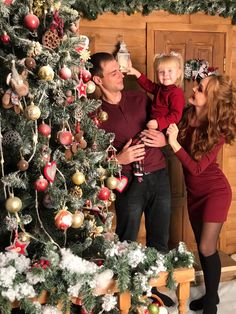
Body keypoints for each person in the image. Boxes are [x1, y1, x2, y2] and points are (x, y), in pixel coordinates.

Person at [90, 52, 174, 306]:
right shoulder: (94, 113)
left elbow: (162, 124)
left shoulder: (139, 98)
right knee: (126, 240)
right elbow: (91, 158)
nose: (121, 75)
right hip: (128, 184)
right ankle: (127, 295)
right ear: (98, 79)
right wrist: (120, 160)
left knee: (159, 239)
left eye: (120, 69)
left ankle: (152, 290)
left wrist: (163, 141)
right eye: (113, 72)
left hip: (159, 176)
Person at [166, 74, 236, 314]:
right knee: (203, 247)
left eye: (200, 88)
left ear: (212, 99)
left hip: (215, 193)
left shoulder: (218, 130)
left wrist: (174, 144)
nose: (194, 88)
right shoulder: (187, 115)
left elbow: (196, 168)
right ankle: (212, 296)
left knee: (207, 248)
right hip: (195, 194)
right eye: (197, 85)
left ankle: (211, 303)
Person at [128, 51, 185, 176]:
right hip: (154, 126)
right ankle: (140, 169)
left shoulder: (176, 93)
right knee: (137, 142)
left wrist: (158, 123)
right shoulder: (161, 89)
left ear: (179, 73)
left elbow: (176, 115)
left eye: (170, 71)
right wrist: (135, 72)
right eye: (161, 72)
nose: (165, 75)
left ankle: (139, 171)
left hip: (164, 128)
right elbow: (148, 85)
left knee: (139, 143)